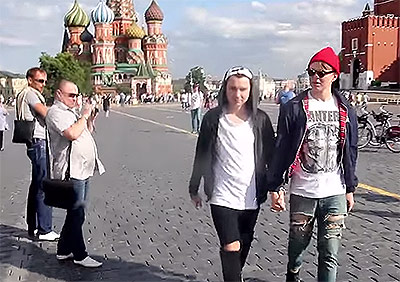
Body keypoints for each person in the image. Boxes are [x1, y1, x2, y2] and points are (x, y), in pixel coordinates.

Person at [267, 47, 358, 282]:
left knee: (329, 253)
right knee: (297, 247)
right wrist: (275, 186)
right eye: (311, 72)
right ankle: (293, 274)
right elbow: (281, 148)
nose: (316, 78)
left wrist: (350, 188)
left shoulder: (346, 109)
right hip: (303, 190)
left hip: (334, 191)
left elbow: (350, 151)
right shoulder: (294, 107)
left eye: (322, 72)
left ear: (334, 75)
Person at [189, 66, 276, 282]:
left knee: (243, 244)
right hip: (222, 195)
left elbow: (271, 156)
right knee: (231, 245)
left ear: (251, 90)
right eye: (232, 88)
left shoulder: (261, 120)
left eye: (243, 89)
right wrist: (194, 187)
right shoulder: (213, 118)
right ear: (225, 89)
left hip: (251, 195)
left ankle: (233, 275)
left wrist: (276, 187)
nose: (238, 94)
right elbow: (202, 154)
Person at [46, 79, 105, 267]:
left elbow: (85, 131)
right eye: (71, 95)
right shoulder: (56, 112)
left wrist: (90, 118)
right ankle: (80, 254)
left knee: (76, 212)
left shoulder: (70, 112)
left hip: (82, 168)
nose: (75, 98)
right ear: (58, 94)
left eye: (77, 95)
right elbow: (71, 134)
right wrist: (83, 115)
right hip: (72, 170)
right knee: (77, 212)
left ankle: (63, 250)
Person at [15, 67, 59, 240]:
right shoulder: (31, 94)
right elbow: (45, 113)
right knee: (43, 185)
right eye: (40, 81)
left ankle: (32, 225)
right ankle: (44, 229)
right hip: (39, 141)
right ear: (30, 80)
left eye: (45, 81)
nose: (43, 84)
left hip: (33, 142)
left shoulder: (23, 94)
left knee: (36, 185)